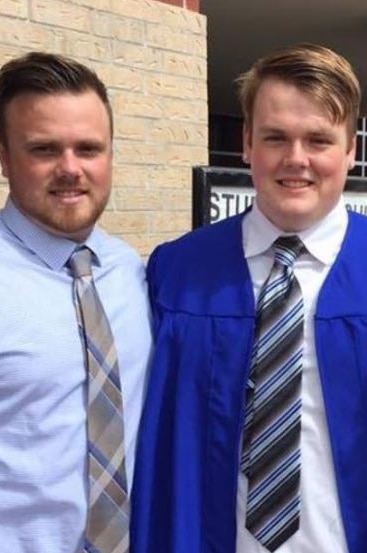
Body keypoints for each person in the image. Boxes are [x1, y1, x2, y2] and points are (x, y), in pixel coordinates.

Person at [131, 44, 367, 553]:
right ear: (246, 143)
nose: (296, 159)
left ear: (351, 150)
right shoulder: (179, 273)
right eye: (275, 137)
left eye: (319, 140)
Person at [0, 52, 152, 553]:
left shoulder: (128, 270)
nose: (70, 169)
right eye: (44, 149)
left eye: (89, 148)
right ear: (2, 154)